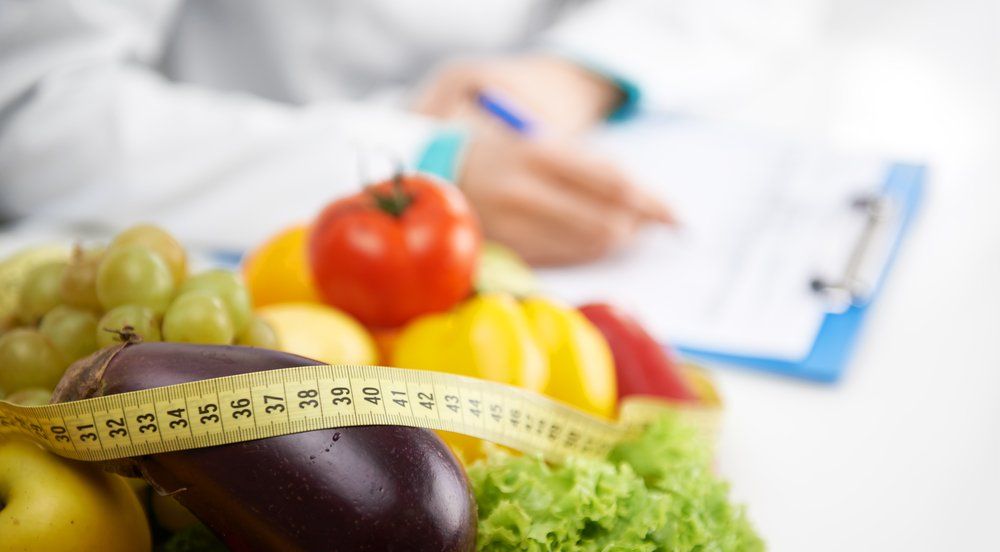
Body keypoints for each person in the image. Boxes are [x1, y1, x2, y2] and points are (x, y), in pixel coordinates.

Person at [0, 0, 809, 265]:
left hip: (545, 126)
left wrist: (579, 70)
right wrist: (414, 172)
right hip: (241, 213)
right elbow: (35, 110)